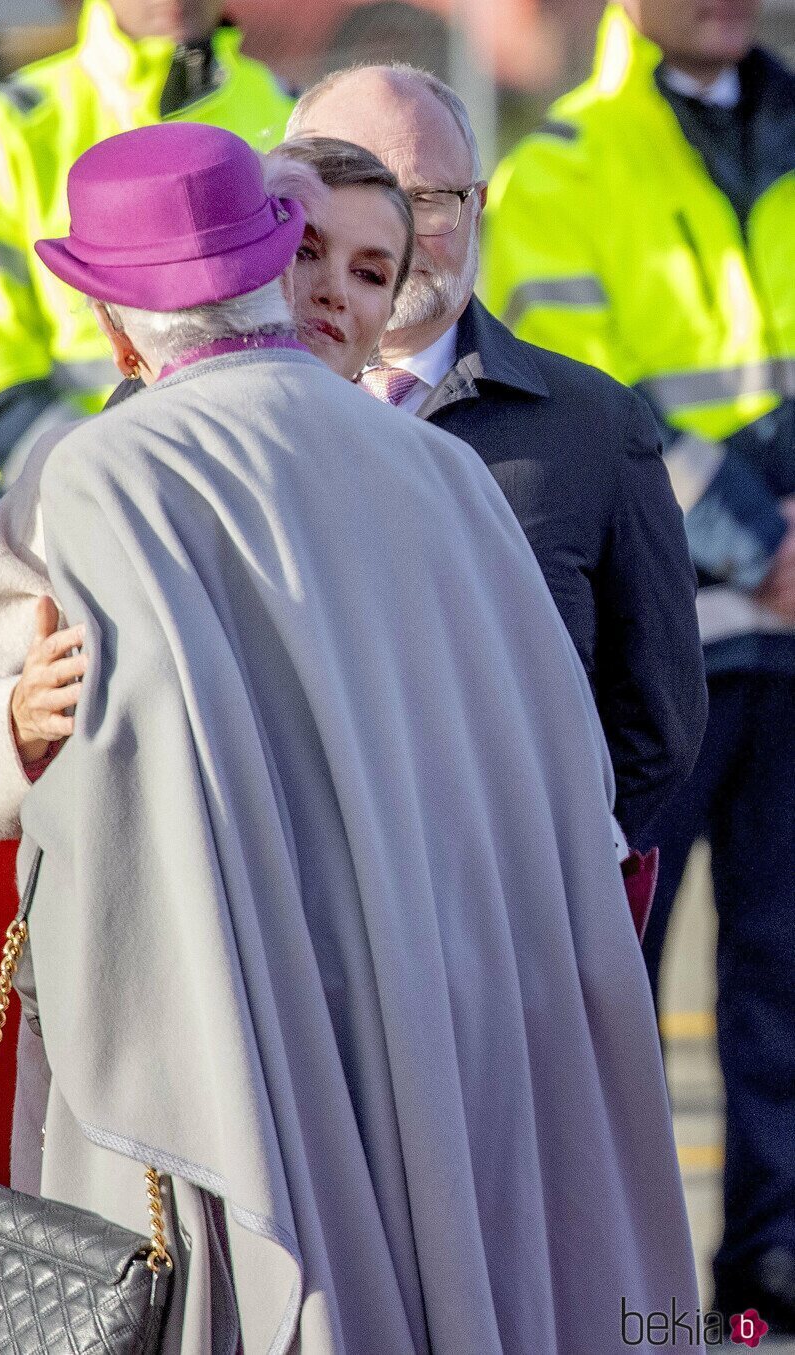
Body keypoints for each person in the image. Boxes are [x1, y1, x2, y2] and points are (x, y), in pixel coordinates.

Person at [0, 121, 701, 1352]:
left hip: (218, 1014)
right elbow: (565, 772)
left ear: (113, 323)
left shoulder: (97, 472)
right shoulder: (436, 471)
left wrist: (7, 722)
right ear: (267, 268)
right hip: (434, 994)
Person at [479, 0, 795, 1328]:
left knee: (787, 969)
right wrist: (762, 533)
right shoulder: (561, 162)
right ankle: (613, 1273)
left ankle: (770, 1266)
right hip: (660, 636)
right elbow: (589, 404)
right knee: (614, 971)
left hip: (790, 630)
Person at [0, 135, 415, 832]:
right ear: (270, 277)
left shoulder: (422, 471)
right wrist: (16, 715)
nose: (331, 293)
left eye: (373, 275)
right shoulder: (81, 474)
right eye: (307, 252)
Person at [287, 63, 707, 851]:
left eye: (427, 200)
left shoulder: (595, 429)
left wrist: (545, 873)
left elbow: (659, 719)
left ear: (477, 207)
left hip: (502, 937)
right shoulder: (203, 414)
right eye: (354, 195)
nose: (396, 233)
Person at [0, 0, 293, 550]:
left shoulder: (296, 116)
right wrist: (102, 474)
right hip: (68, 508)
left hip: (264, 502)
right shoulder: (9, 127)